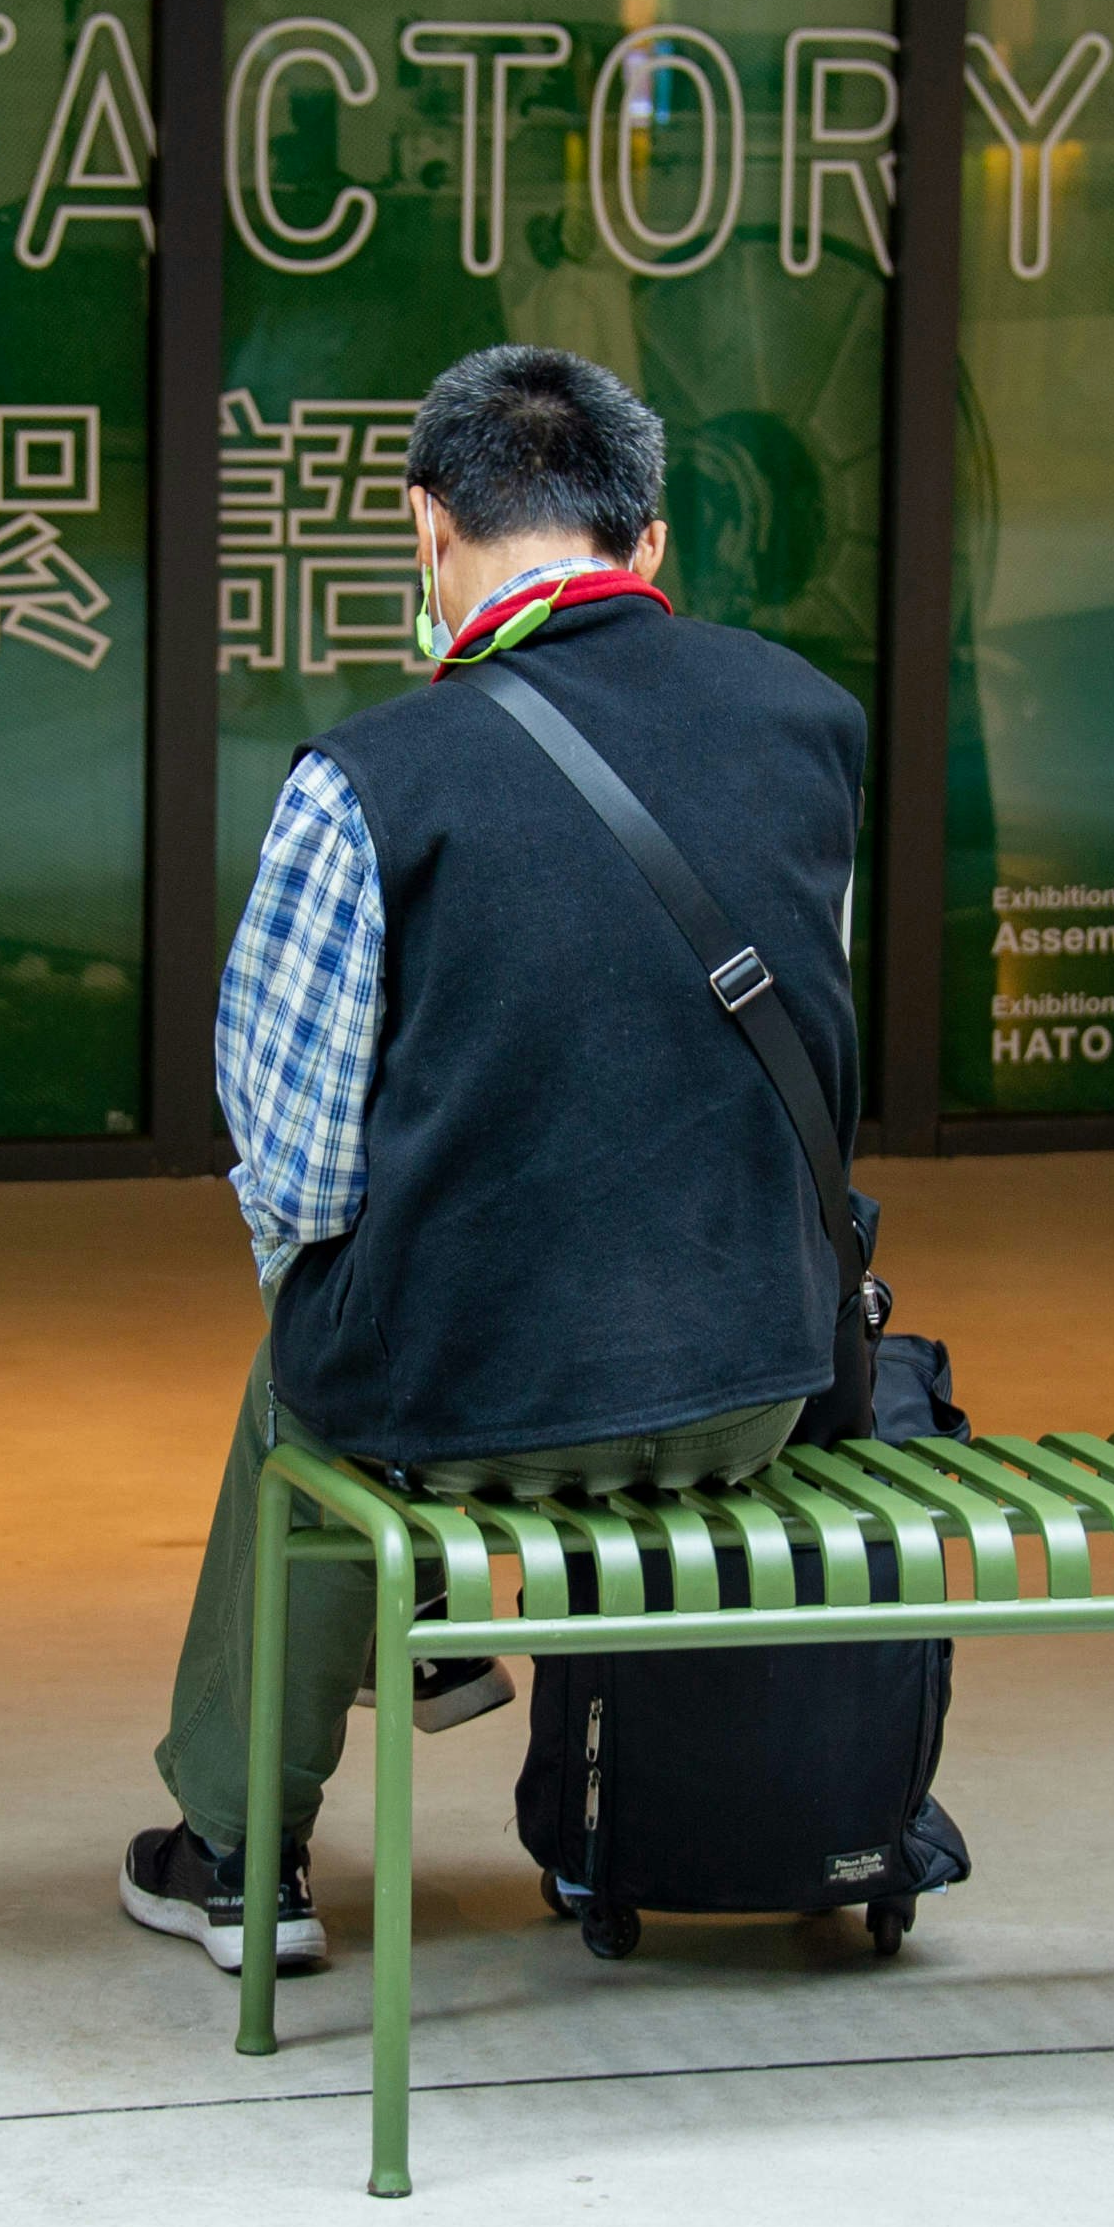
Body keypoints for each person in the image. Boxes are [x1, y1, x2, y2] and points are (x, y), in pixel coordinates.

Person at [120, 344, 867, 1974]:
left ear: (425, 530)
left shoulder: (367, 781)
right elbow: (823, 1068)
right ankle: (421, 1658)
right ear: (650, 540)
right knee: (358, 1359)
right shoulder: (811, 729)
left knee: (305, 1384)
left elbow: (297, 1163)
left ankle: (240, 1855)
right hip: (756, 1384)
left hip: (469, 1416)